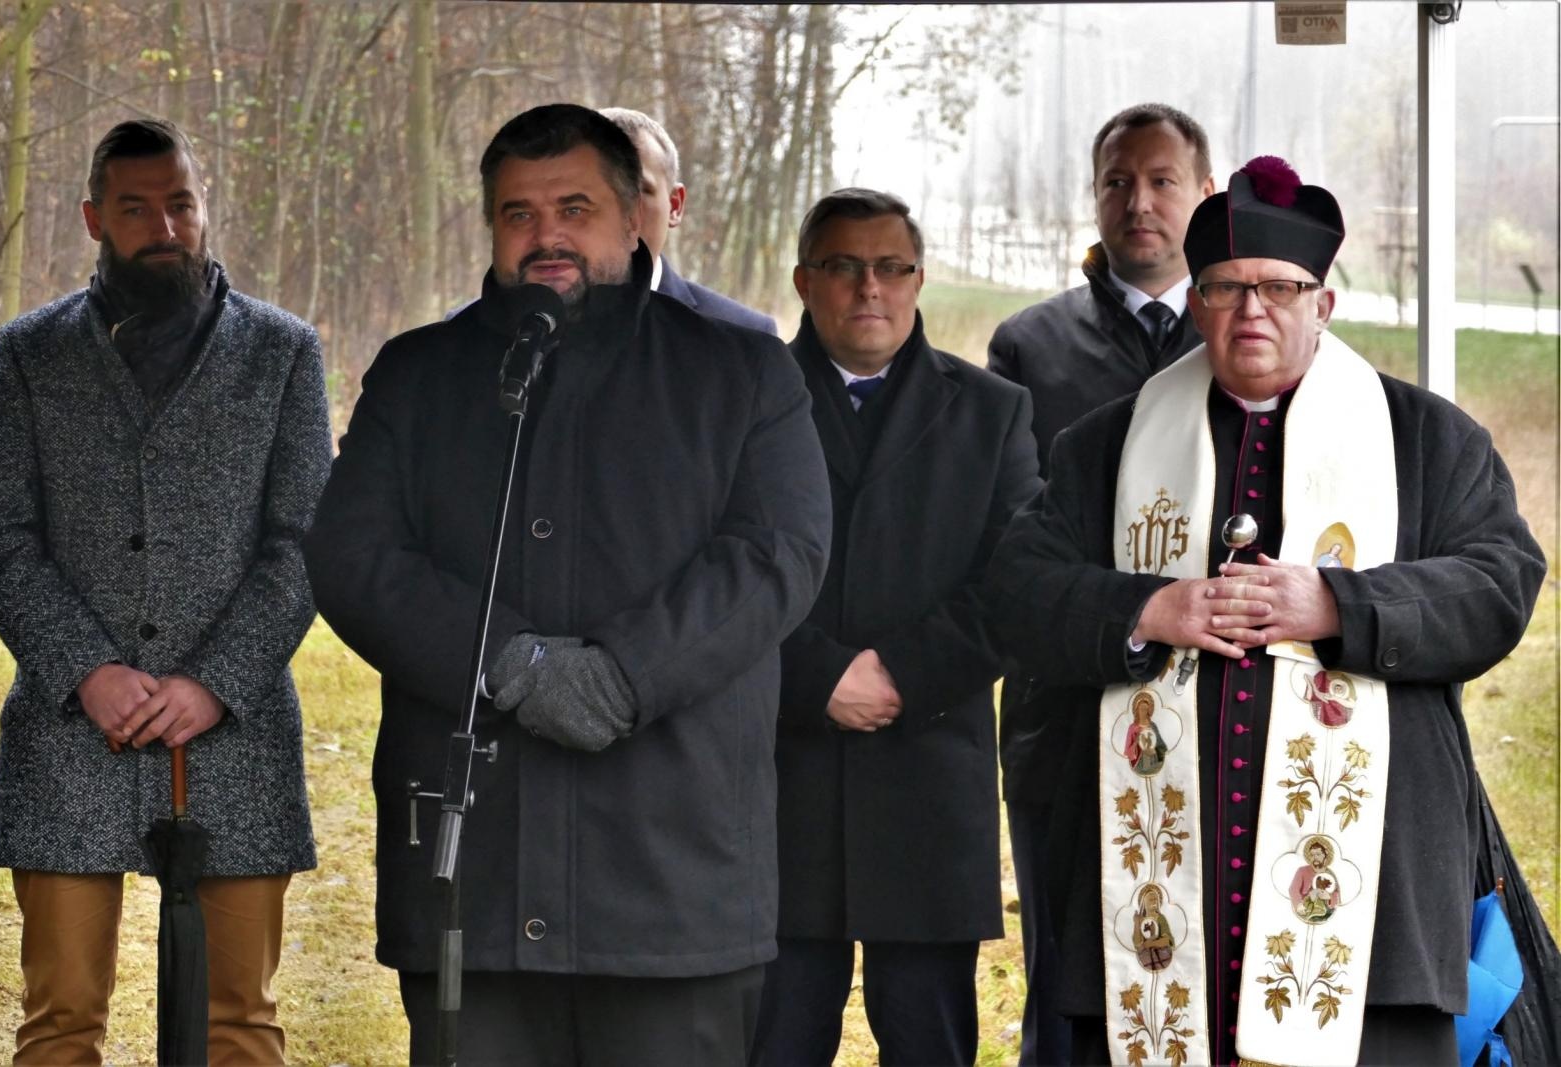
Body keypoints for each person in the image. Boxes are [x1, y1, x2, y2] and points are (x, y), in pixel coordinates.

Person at [302, 103, 831, 1066]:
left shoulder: (739, 370)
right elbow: (352, 553)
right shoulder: (419, 374)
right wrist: (505, 660)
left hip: (673, 880)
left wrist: (624, 674)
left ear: (635, 217)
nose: (546, 233)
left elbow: (778, 553)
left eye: (574, 206)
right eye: (518, 212)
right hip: (476, 882)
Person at [986, 156, 1545, 1065]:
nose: (1253, 310)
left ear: (1323, 303)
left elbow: (1500, 582)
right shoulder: (1105, 447)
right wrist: (1147, 607)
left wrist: (1337, 602)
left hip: (1372, 914)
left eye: (1280, 289)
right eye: (1228, 288)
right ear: (1196, 300)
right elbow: (1017, 589)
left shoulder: (1424, 438)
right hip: (1163, 907)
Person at [0, 118, 330, 1064]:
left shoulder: (283, 351)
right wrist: (85, 668)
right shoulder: (32, 351)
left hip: (236, 736)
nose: (163, 225)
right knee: (59, 1022)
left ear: (204, 211)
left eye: (180, 203)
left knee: (238, 1026)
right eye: (136, 207)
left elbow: (304, 544)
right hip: (70, 732)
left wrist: (214, 681)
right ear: (95, 218)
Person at [748, 189, 1040, 1067]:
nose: (867, 287)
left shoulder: (994, 411)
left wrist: (904, 674)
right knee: (769, 1043)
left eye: (891, 267)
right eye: (843, 266)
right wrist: (816, 677)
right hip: (778, 781)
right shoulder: (747, 401)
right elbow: (714, 567)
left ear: (918, 279)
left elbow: (1016, 581)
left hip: (926, 782)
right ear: (805, 280)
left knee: (930, 1045)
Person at [985, 101, 1217, 1067]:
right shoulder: (1029, 350)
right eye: (1119, 182)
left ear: (1206, 194)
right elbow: (1014, 552)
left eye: (1164, 181)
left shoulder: (1252, 333)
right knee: (1073, 989)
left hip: (1216, 727)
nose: (1140, 203)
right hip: (1068, 723)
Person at [599, 107, 777, 334]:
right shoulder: (543, 325)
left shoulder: (745, 336)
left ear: (675, 205)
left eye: (635, 190)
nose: (614, 212)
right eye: (589, 195)